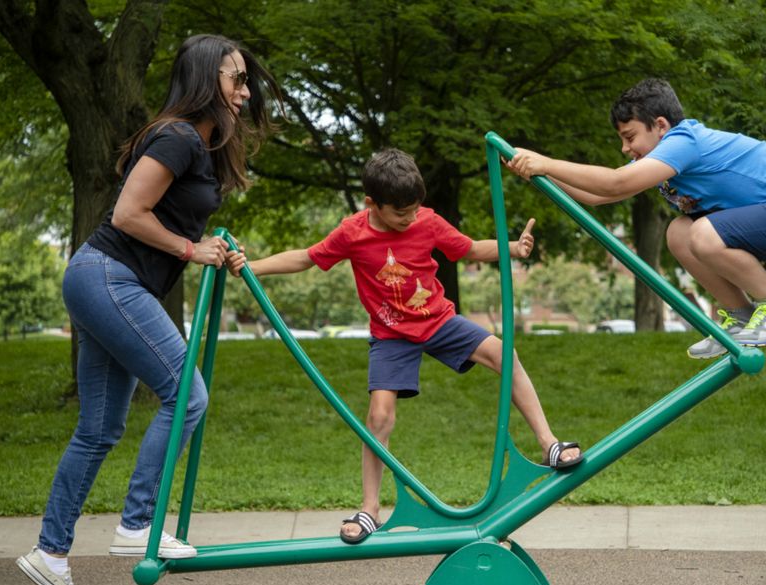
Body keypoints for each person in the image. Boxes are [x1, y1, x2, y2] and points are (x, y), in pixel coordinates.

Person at [16, 34, 281, 585]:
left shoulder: (200, 146)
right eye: (235, 79)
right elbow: (126, 215)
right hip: (107, 277)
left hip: (109, 281)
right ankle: (139, 523)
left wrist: (215, 248)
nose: (243, 91)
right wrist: (192, 250)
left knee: (100, 429)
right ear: (206, 78)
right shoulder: (177, 136)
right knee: (186, 394)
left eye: (245, 81)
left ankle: (49, 553)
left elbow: (172, 222)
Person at [228, 148, 583, 545]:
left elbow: (465, 249)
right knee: (379, 415)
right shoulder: (352, 232)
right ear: (371, 204)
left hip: (438, 320)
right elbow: (306, 258)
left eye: (414, 209)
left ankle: (548, 444)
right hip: (391, 334)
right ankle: (369, 509)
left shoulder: (426, 221)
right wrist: (251, 266)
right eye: (400, 213)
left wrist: (512, 248)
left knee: (505, 355)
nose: (410, 218)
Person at [507, 78, 766, 359]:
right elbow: (599, 195)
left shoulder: (684, 142)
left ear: (661, 126)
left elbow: (614, 182)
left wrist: (546, 163)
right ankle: (741, 315)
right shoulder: (668, 156)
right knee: (680, 232)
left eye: (630, 136)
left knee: (703, 233)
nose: (625, 148)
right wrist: (539, 176)